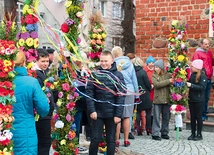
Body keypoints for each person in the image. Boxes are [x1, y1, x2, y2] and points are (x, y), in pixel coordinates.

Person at [86, 51, 125, 155]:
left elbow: (121, 96)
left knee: (111, 139)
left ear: (112, 61)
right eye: (101, 61)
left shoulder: (118, 75)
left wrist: (118, 114)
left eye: (106, 61)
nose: (103, 63)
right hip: (97, 113)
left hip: (112, 113)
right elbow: (90, 94)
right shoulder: (95, 74)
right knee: (95, 139)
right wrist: (92, 110)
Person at [12, 50, 50, 155]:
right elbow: (44, 109)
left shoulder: (3, 81)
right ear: (24, 62)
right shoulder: (31, 82)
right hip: (26, 131)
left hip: (5, 130)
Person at [111, 46, 139, 146]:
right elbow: (134, 79)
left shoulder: (113, 64)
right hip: (130, 91)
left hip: (118, 91)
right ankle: (126, 140)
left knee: (117, 116)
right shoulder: (130, 64)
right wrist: (136, 94)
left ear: (114, 55)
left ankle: (117, 139)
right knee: (127, 116)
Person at [35, 48, 55, 155]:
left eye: (47, 61)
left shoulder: (43, 73)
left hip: (45, 113)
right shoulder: (37, 75)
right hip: (42, 114)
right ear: (36, 61)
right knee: (45, 142)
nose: (45, 64)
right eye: (42, 61)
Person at [192, 39, 214, 121]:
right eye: (205, 44)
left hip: (208, 78)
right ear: (201, 44)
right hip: (201, 77)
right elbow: (196, 66)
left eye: (208, 44)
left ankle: (204, 113)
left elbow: (212, 63)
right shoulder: (197, 53)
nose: (207, 45)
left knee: (207, 97)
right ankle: (200, 115)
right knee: (201, 96)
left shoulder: (209, 53)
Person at [152, 59, 174, 141]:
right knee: (156, 117)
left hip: (167, 99)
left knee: (166, 117)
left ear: (161, 68)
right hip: (157, 100)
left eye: (157, 67)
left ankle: (164, 132)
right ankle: (155, 133)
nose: (155, 69)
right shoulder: (154, 75)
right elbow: (157, 85)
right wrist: (168, 81)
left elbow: (172, 82)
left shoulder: (168, 75)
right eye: (155, 67)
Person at [187, 59, 207, 141]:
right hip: (192, 99)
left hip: (199, 100)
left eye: (192, 66)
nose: (191, 67)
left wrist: (191, 85)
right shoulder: (192, 75)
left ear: (197, 67)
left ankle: (199, 134)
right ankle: (193, 133)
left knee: (198, 116)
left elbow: (202, 88)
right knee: (192, 117)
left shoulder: (203, 76)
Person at [132, 57, 152, 136]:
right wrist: (150, 88)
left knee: (138, 112)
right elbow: (147, 84)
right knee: (148, 112)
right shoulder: (143, 72)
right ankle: (148, 128)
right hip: (145, 94)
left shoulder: (133, 72)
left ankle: (138, 129)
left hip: (137, 94)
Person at [144, 56, 155, 135]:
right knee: (148, 111)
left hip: (154, 93)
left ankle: (151, 126)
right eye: (150, 62)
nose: (151, 64)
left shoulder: (155, 71)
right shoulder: (145, 71)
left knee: (152, 112)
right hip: (147, 93)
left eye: (152, 62)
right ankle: (146, 127)